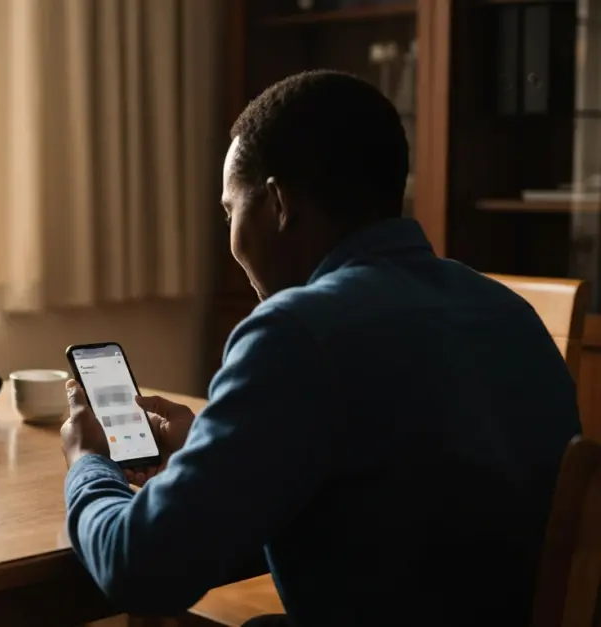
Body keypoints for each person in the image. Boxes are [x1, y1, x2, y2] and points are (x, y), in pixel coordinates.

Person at [59, 70, 582, 627]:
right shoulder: (510, 313)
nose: (231, 234)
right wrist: (213, 455)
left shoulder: (296, 333)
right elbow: (399, 501)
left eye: (231, 210)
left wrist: (88, 463)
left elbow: (139, 569)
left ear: (279, 203)